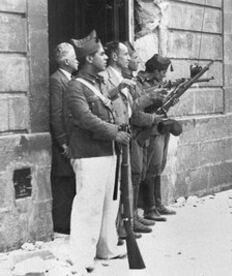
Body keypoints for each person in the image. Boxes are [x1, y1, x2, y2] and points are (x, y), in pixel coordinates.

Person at [64, 31, 131, 272]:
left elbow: (102, 106)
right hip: (88, 155)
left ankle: (106, 248)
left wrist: (117, 91)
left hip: (106, 152)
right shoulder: (75, 87)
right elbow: (85, 119)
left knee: (108, 204)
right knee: (88, 206)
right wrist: (115, 132)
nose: (106, 58)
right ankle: (81, 258)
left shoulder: (96, 84)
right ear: (89, 59)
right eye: (102, 54)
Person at [100, 41, 158, 237]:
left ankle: (128, 221)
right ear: (115, 57)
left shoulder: (123, 78)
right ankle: (121, 225)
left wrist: (151, 96)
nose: (129, 58)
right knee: (119, 182)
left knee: (129, 178)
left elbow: (131, 108)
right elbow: (102, 102)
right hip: (115, 134)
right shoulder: (106, 77)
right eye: (125, 55)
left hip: (126, 134)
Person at [136, 54, 180, 221]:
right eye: (162, 72)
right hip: (149, 128)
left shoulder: (156, 83)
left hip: (160, 127)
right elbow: (140, 104)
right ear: (154, 71)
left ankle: (158, 203)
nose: (164, 76)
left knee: (159, 166)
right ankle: (149, 207)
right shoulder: (141, 83)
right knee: (151, 167)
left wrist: (170, 100)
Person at [49, 42, 78, 234]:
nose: (77, 61)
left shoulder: (69, 79)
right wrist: (63, 142)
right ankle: (62, 224)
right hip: (64, 142)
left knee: (71, 180)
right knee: (64, 181)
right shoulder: (56, 80)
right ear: (66, 61)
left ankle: (69, 222)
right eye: (74, 57)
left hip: (73, 139)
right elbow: (56, 114)